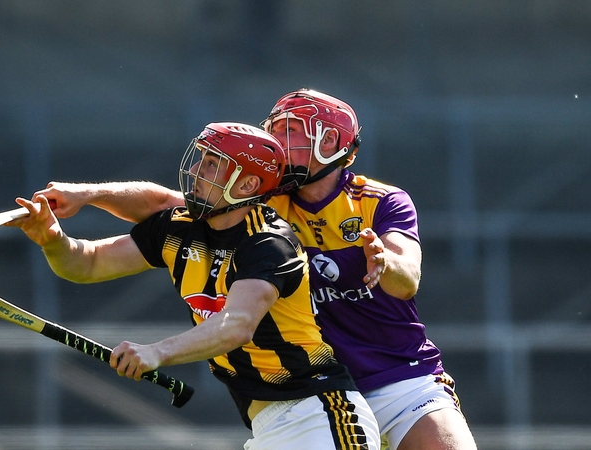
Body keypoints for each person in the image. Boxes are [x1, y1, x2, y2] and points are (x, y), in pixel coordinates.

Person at [28, 90, 478, 450]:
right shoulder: (255, 197)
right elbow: (162, 204)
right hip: (300, 392)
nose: (282, 144)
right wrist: (82, 195)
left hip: (396, 377)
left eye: (295, 134)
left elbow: (407, 279)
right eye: (276, 131)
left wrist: (382, 263)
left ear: (332, 145)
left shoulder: (379, 201)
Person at [9, 122, 380, 450]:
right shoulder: (178, 228)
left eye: (214, 164)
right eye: (202, 159)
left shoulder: (269, 242)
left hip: (319, 414)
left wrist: (157, 352)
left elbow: (237, 324)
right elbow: (86, 264)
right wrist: (53, 241)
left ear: (249, 184)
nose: (199, 170)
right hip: (265, 422)